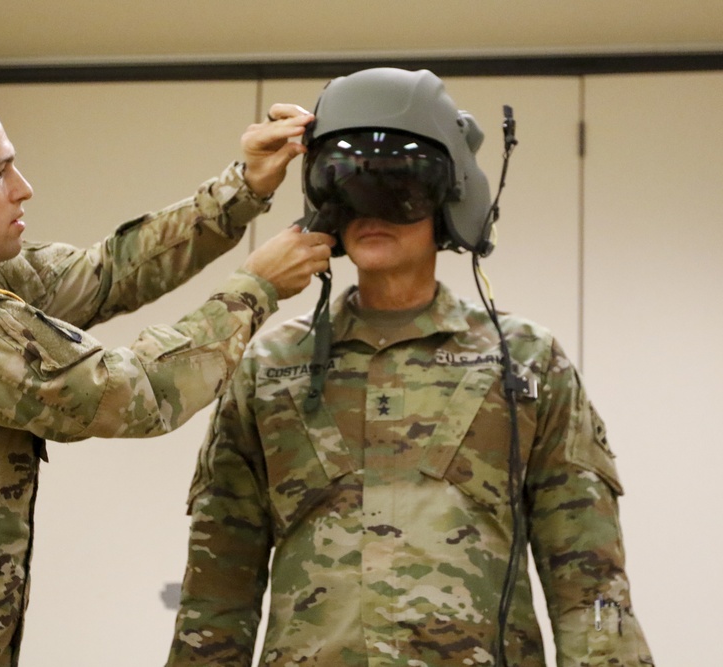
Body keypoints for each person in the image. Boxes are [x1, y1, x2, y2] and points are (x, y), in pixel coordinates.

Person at [0, 81, 335, 667]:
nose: (23, 190)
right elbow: (135, 393)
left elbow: (107, 273)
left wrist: (244, 186)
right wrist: (257, 288)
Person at [166, 68, 654, 666]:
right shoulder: (270, 368)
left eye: (398, 186)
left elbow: (591, 589)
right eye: (347, 183)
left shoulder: (524, 361)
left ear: (450, 199)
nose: (370, 210)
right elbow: (216, 599)